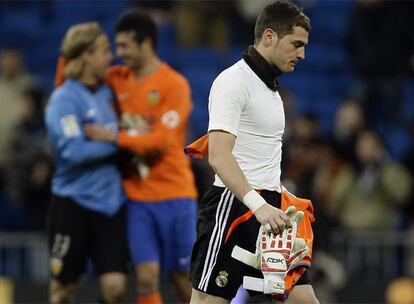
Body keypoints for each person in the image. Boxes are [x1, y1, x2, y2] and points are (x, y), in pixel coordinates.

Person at [55, 11, 198, 304]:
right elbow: (68, 78)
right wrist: (71, 47)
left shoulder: (174, 85)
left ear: (145, 44)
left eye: (123, 46)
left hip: (176, 194)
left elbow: (160, 142)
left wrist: (114, 135)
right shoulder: (116, 79)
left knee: (183, 280)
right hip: (135, 198)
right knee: (145, 277)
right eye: (115, 47)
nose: (117, 54)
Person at [186, 1, 319, 303]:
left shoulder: (270, 88)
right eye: (296, 44)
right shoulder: (233, 82)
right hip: (234, 208)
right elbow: (219, 156)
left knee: (306, 301)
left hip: (271, 212)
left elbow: (259, 157)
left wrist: (277, 200)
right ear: (269, 37)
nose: (302, 54)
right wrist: (259, 206)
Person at [45, 23, 129, 303]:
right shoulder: (63, 99)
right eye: (104, 51)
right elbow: (73, 153)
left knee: (116, 288)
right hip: (73, 203)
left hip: (111, 204)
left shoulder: (109, 94)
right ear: (86, 56)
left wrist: (111, 137)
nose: (111, 57)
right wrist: (119, 141)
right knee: (63, 289)